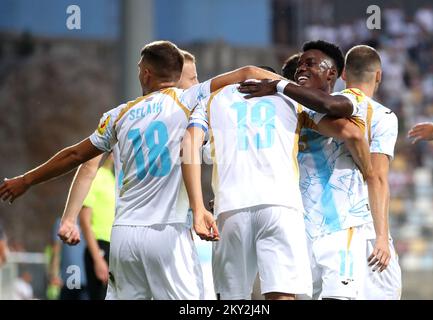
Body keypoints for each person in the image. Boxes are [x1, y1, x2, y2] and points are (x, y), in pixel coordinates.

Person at [0, 40, 283, 299]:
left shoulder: (118, 114)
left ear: (146, 73)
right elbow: (248, 70)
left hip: (123, 237)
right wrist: (291, 90)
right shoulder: (188, 100)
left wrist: (26, 180)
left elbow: (75, 155)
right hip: (167, 233)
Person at [184, 53, 373, 299]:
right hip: (281, 206)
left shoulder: (212, 100)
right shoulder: (290, 99)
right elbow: (350, 132)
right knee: (282, 294)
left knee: (231, 298)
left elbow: (188, 146)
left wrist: (198, 208)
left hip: (230, 208)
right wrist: (368, 171)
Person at [238, 40, 377, 300]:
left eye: (310, 63)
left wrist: (368, 173)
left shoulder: (348, 98)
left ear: (332, 73)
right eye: (300, 64)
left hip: (339, 223)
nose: (302, 68)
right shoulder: (289, 110)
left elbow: (352, 134)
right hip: (297, 225)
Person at [342, 44, 402, 299]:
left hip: (315, 227)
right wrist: (381, 236)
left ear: (343, 74)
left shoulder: (317, 109)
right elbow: (376, 176)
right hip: (362, 227)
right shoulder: (383, 116)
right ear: (379, 75)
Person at [79, 155, 115, 300]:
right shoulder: (95, 177)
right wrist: (98, 258)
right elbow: (84, 220)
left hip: (115, 247)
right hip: (99, 248)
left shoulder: (115, 180)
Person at [48, 218, 89, 300]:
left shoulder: (62, 222)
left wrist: (54, 274)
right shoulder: (89, 221)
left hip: (71, 279)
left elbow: (56, 251)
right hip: (85, 278)